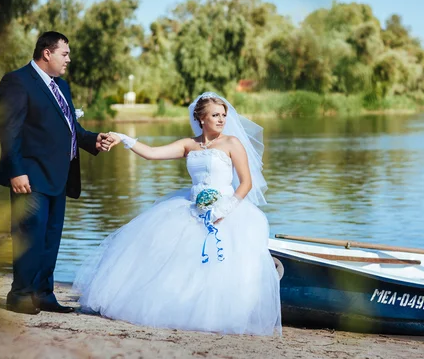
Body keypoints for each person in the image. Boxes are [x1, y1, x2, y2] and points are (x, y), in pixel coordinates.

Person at [73, 92, 282, 336]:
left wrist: (225, 208)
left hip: (227, 209)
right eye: (215, 115)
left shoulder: (232, 143)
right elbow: (152, 153)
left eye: (223, 115)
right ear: (201, 118)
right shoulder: (188, 145)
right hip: (192, 206)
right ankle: (180, 307)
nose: (221, 119)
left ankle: (222, 313)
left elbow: (245, 183)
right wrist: (123, 137)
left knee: (225, 263)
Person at [0, 31, 111, 315]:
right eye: (65, 54)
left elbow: (71, 128)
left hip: (59, 176)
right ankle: (20, 295)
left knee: (50, 238)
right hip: (30, 176)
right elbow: (9, 131)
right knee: (28, 236)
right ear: (47, 53)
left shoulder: (62, 86)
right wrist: (16, 171)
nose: (68, 60)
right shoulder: (18, 81)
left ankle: (43, 293)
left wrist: (92, 140)